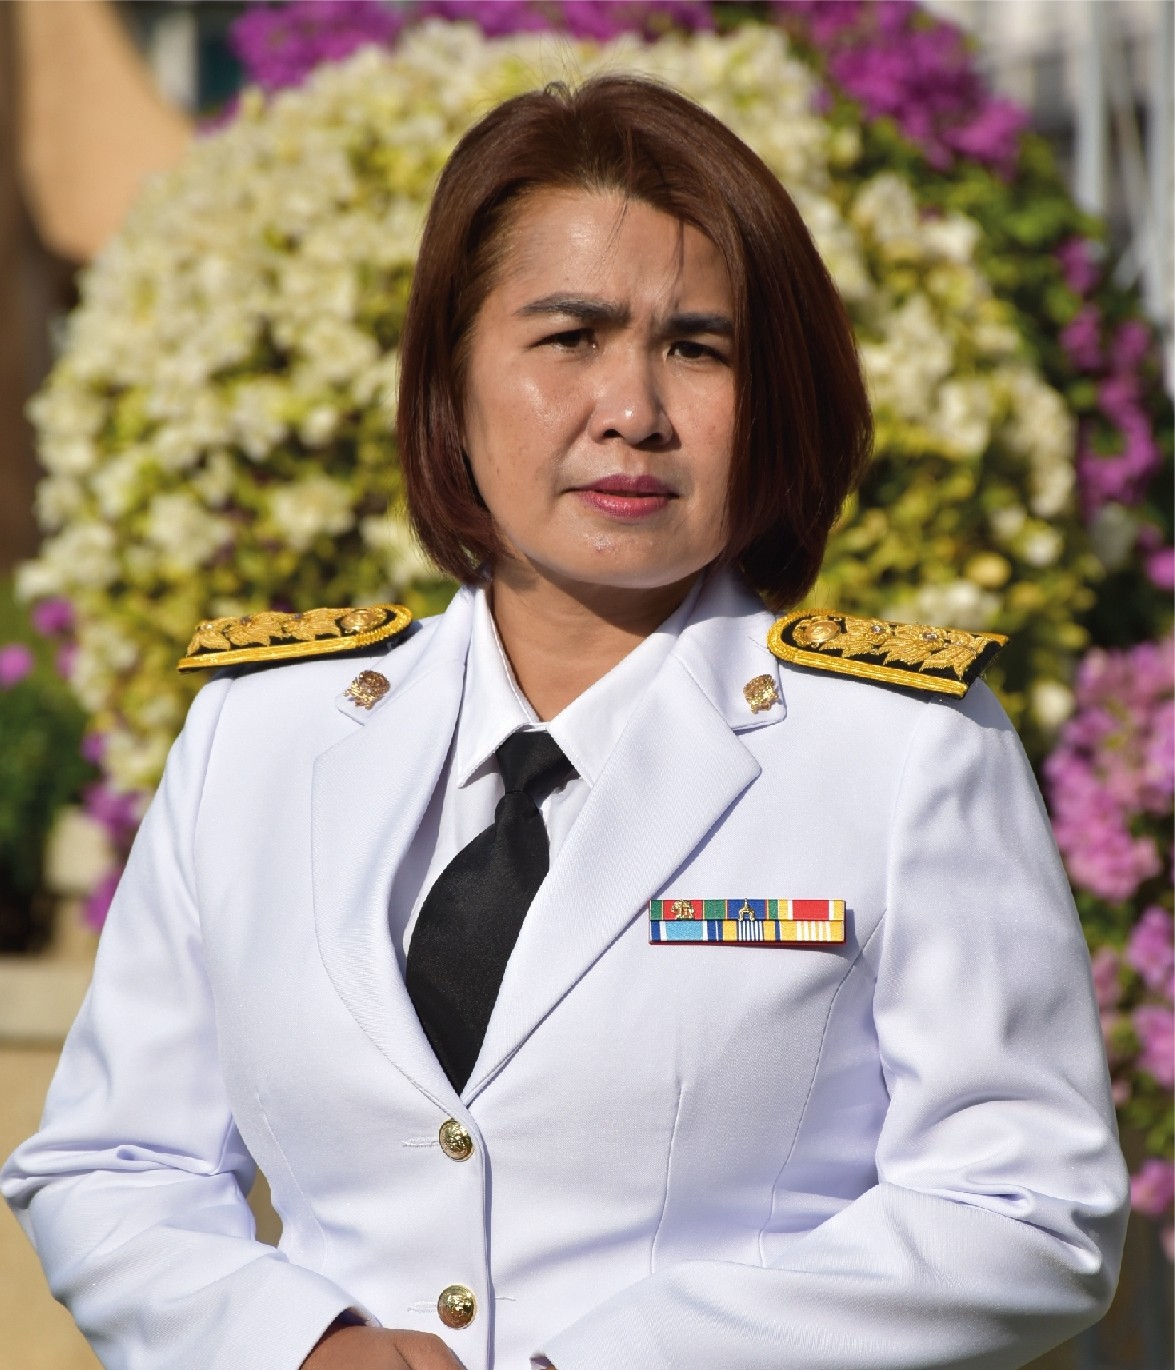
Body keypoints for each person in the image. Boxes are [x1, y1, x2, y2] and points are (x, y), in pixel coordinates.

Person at [3, 74, 1128, 1370]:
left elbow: (1027, 1207)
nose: (633, 410)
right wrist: (296, 1346)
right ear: (452, 379)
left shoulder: (901, 749)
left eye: (697, 348)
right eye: (570, 336)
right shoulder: (259, 738)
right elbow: (113, 1161)